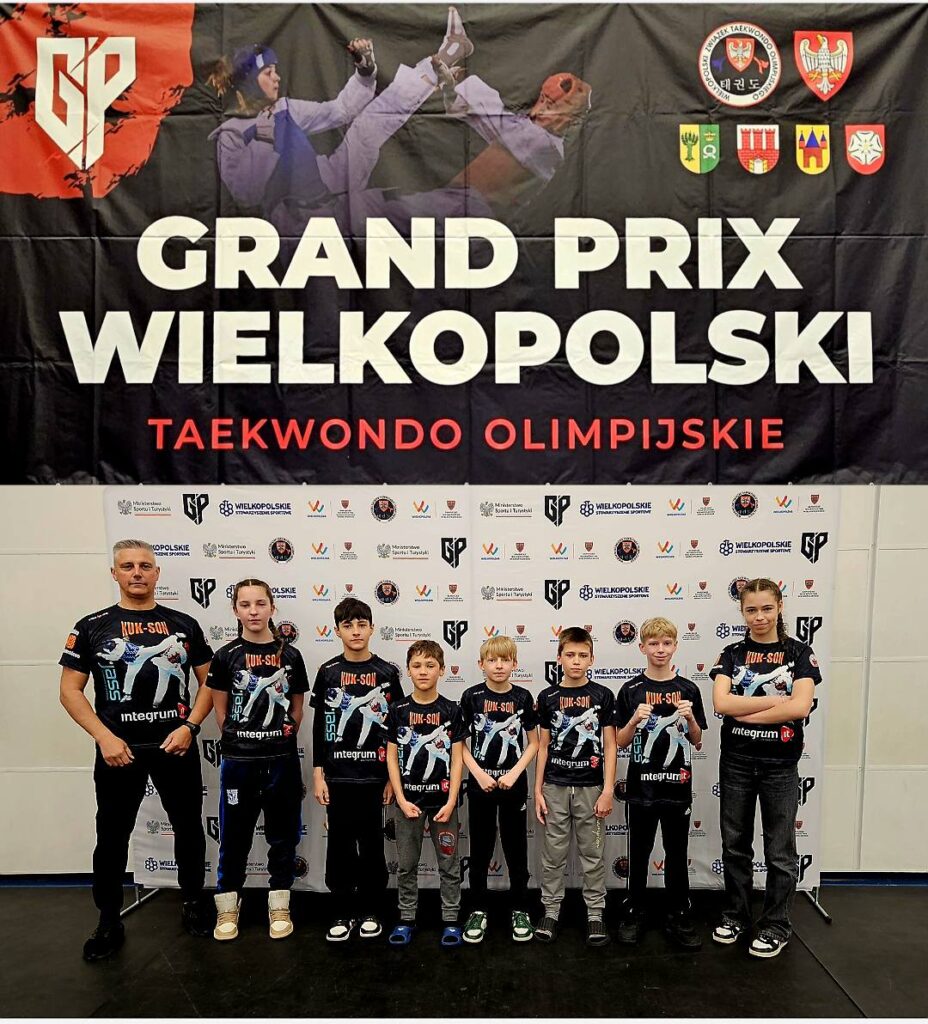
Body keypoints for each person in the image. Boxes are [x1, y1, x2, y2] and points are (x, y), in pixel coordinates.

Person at [209, 8, 591, 237]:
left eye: (276, 70)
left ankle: (447, 55)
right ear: (248, 82)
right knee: (386, 218)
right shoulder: (229, 136)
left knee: (366, 129)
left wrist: (365, 72)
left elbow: (341, 110)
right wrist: (269, 141)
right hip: (297, 214)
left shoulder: (286, 109)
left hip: (327, 179)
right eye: (268, 73)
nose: (277, 78)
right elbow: (247, 195)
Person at [59, 540, 214, 961]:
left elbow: (210, 683)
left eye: (145, 565)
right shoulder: (92, 626)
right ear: (115, 574)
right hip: (118, 750)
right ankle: (108, 919)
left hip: (174, 746)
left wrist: (190, 726)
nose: (137, 573)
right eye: (127, 566)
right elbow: (70, 691)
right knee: (111, 835)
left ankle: (193, 901)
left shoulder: (183, 624)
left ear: (157, 573)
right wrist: (104, 737)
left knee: (188, 827)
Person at [710, 578, 821, 958]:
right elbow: (722, 704)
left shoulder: (799, 653)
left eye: (767, 608)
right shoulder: (732, 654)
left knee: (780, 851)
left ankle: (776, 924)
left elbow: (800, 707)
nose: (759, 616)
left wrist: (749, 713)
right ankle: (736, 916)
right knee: (735, 845)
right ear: (742, 612)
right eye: (751, 609)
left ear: (780, 607)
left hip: (780, 766)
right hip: (737, 762)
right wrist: (777, 705)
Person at [206, 579, 309, 941]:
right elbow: (220, 711)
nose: (253, 611)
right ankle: (227, 906)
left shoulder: (290, 656)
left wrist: (278, 736)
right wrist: (242, 739)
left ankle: (279, 903)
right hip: (239, 762)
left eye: (260, 604)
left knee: (283, 837)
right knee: (234, 837)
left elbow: (297, 709)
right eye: (246, 605)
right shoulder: (226, 655)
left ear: (272, 608)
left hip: (281, 760)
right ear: (235, 610)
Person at [310, 598, 403, 942]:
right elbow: (320, 725)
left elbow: (397, 729)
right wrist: (318, 772)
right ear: (337, 631)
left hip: (374, 776)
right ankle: (341, 909)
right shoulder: (328, 672)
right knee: (339, 845)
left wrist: (392, 777)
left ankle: (371, 910)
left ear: (372, 628)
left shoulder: (387, 673)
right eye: (348, 625)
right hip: (338, 775)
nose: (356, 631)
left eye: (362, 624)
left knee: (372, 845)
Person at [614, 617, 707, 950]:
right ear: (642, 647)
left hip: (677, 789)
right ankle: (635, 911)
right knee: (638, 854)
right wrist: (634, 720)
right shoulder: (631, 690)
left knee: (677, 854)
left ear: (675, 646)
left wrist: (691, 718)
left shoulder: (689, 689)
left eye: (666, 643)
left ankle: (678, 913)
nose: (660, 649)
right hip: (641, 790)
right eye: (653, 643)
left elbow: (697, 739)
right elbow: (621, 741)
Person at [534, 627, 616, 946]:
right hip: (555, 786)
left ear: (592, 659)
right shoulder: (548, 697)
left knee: (592, 854)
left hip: (591, 788)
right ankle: (551, 911)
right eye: (570, 655)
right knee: (553, 855)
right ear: (559, 658)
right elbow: (543, 746)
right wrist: (538, 790)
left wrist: (607, 790)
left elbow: (610, 745)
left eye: (583, 655)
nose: (576, 661)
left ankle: (595, 913)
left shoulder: (602, 695)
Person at [386, 640, 467, 946]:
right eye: (417, 665)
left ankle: (451, 919)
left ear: (442, 670)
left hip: (443, 804)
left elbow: (457, 759)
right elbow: (391, 757)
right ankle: (407, 918)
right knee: (407, 864)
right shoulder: (397, 710)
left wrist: (451, 800)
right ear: (408, 670)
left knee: (449, 864)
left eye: (430, 665)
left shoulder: (452, 710)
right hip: (408, 803)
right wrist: (401, 798)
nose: (423, 671)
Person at [459, 635, 539, 944]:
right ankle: (477, 909)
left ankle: (520, 908)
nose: (499, 665)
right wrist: (478, 774)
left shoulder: (522, 697)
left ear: (514, 664)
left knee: (516, 848)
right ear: (481, 664)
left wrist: (515, 772)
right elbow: (459, 744)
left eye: (505, 660)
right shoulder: (471, 696)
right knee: (480, 849)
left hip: (513, 787)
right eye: (492, 660)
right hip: (480, 786)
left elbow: (534, 743)